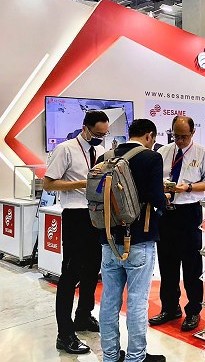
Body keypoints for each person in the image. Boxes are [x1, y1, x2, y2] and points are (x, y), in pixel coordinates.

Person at [96, 119, 167, 362]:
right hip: (139, 239)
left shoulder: (105, 157)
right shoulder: (151, 158)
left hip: (109, 239)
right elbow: (156, 197)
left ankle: (110, 356)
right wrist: (165, 200)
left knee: (109, 300)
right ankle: (136, 357)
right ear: (149, 136)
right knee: (137, 301)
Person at [43, 110, 109, 354]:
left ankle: (83, 315)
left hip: (97, 215)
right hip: (76, 215)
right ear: (85, 128)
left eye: (104, 134)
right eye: (97, 133)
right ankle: (65, 333)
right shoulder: (66, 149)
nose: (100, 138)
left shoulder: (102, 152)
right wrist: (83, 183)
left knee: (92, 270)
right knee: (70, 275)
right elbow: (49, 183)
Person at [149, 116, 205, 332]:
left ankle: (194, 310)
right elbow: (154, 179)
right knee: (167, 263)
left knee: (191, 265)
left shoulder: (201, 153)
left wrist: (188, 187)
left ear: (192, 133)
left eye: (183, 136)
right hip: (166, 212)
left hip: (189, 212)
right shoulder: (163, 152)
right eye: (175, 136)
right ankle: (170, 308)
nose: (179, 140)